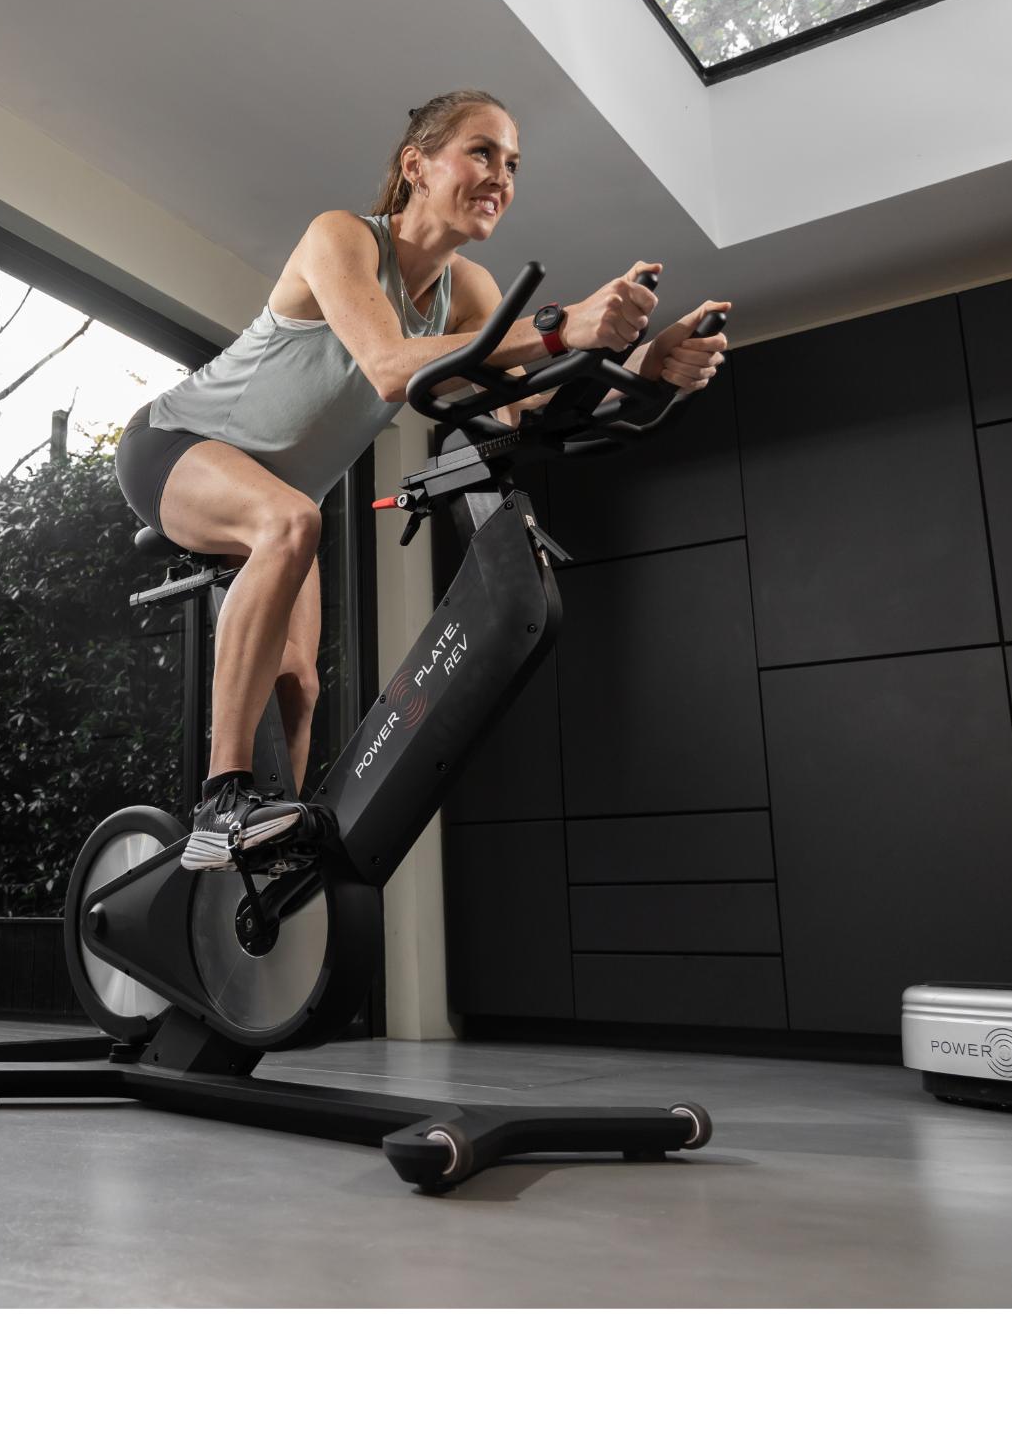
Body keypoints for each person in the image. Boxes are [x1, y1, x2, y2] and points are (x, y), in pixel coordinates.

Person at [114, 88, 731, 871]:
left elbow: (527, 402)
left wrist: (649, 368)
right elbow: (386, 367)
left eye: (511, 164)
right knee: (291, 522)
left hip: (276, 495)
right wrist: (558, 325)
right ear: (417, 165)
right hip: (175, 445)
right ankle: (221, 802)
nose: (500, 176)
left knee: (300, 681)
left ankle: (256, 865)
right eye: (482, 152)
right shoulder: (342, 238)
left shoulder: (466, 291)